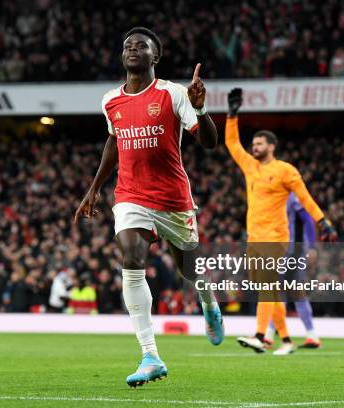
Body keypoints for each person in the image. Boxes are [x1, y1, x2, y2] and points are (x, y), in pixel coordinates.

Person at [74, 27, 223, 387]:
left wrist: (201, 108)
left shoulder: (173, 93)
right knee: (131, 257)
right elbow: (113, 142)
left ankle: (208, 301)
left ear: (155, 56)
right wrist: (94, 188)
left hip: (173, 199)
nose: (133, 49)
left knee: (190, 269)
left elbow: (209, 143)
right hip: (130, 196)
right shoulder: (111, 100)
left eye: (142, 46)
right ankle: (150, 354)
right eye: (128, 45)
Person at [224, 88, 336, 355]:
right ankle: (285, 340)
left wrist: (323, 221)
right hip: (254, 238)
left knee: (266, 286)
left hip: (276, 237)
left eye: (260, 144)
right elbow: (232, 144)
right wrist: (231, 116)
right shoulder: (250, 166)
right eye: (254, 144)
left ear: (271, 147)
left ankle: (261, 335)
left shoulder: (285, 170)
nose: (255, 147)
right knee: (269, 291)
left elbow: (305, 198)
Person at [264, 193, 321, 349]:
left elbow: (307, 219)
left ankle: (268, 335)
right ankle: (312, 335)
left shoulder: (290, 196)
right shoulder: (277, 196)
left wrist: (311, 247)